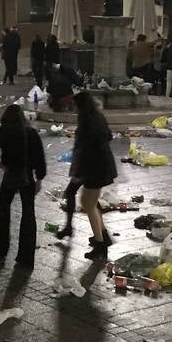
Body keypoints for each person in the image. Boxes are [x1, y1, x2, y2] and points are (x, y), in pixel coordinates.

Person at [0, 104, 46, 268]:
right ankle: (25, 258)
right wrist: (39, 178)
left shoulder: (4, 131)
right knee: (28, 214)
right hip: (27, 176)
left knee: (4, 210)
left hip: (10, 174)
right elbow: (40, 158)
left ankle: (0, 248)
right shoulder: (32, 133)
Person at [71, 92, 117, 260]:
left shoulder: (86, 122)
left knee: (88, 204)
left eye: (75, 106)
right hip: (103, 164)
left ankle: (100, 245)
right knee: (90, 202)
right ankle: (103, 235)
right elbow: (109, 135)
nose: (74, 109)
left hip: (94, 167)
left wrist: (78, 173)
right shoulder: (97, 116)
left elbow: (83, 150)